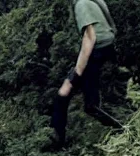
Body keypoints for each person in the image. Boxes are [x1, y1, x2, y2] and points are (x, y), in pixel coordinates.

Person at [51, 0, 121, 148]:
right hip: (106, 48)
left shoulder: (81, 4)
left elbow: (90, 38)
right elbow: (112, 27)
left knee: (67, 95)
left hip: (96, 51)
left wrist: (77, 72)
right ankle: (122, 130)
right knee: (88, 103)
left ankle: (59, 144)